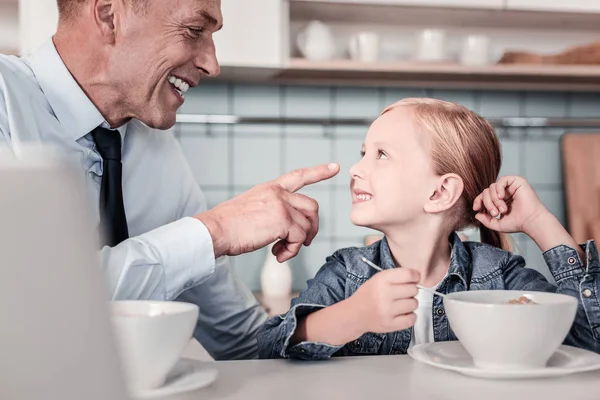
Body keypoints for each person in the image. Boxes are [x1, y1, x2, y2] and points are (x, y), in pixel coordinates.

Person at [0, 0, 339, 360]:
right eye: (195, 31)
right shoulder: (6, 100)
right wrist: (215, 230)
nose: (212, 63)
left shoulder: (154, 145)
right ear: (108, 16)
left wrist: (348, 328)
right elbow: (29, 301)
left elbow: (239, 335)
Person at [257, 98, 600, 360]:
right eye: (363, 153)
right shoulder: (347, 273)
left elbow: (587, 341)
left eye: (381, 155)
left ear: (439, 193)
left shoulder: (498, 274)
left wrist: (539, 221)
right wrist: (352, 316)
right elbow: (268, 349)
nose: (355, 169)